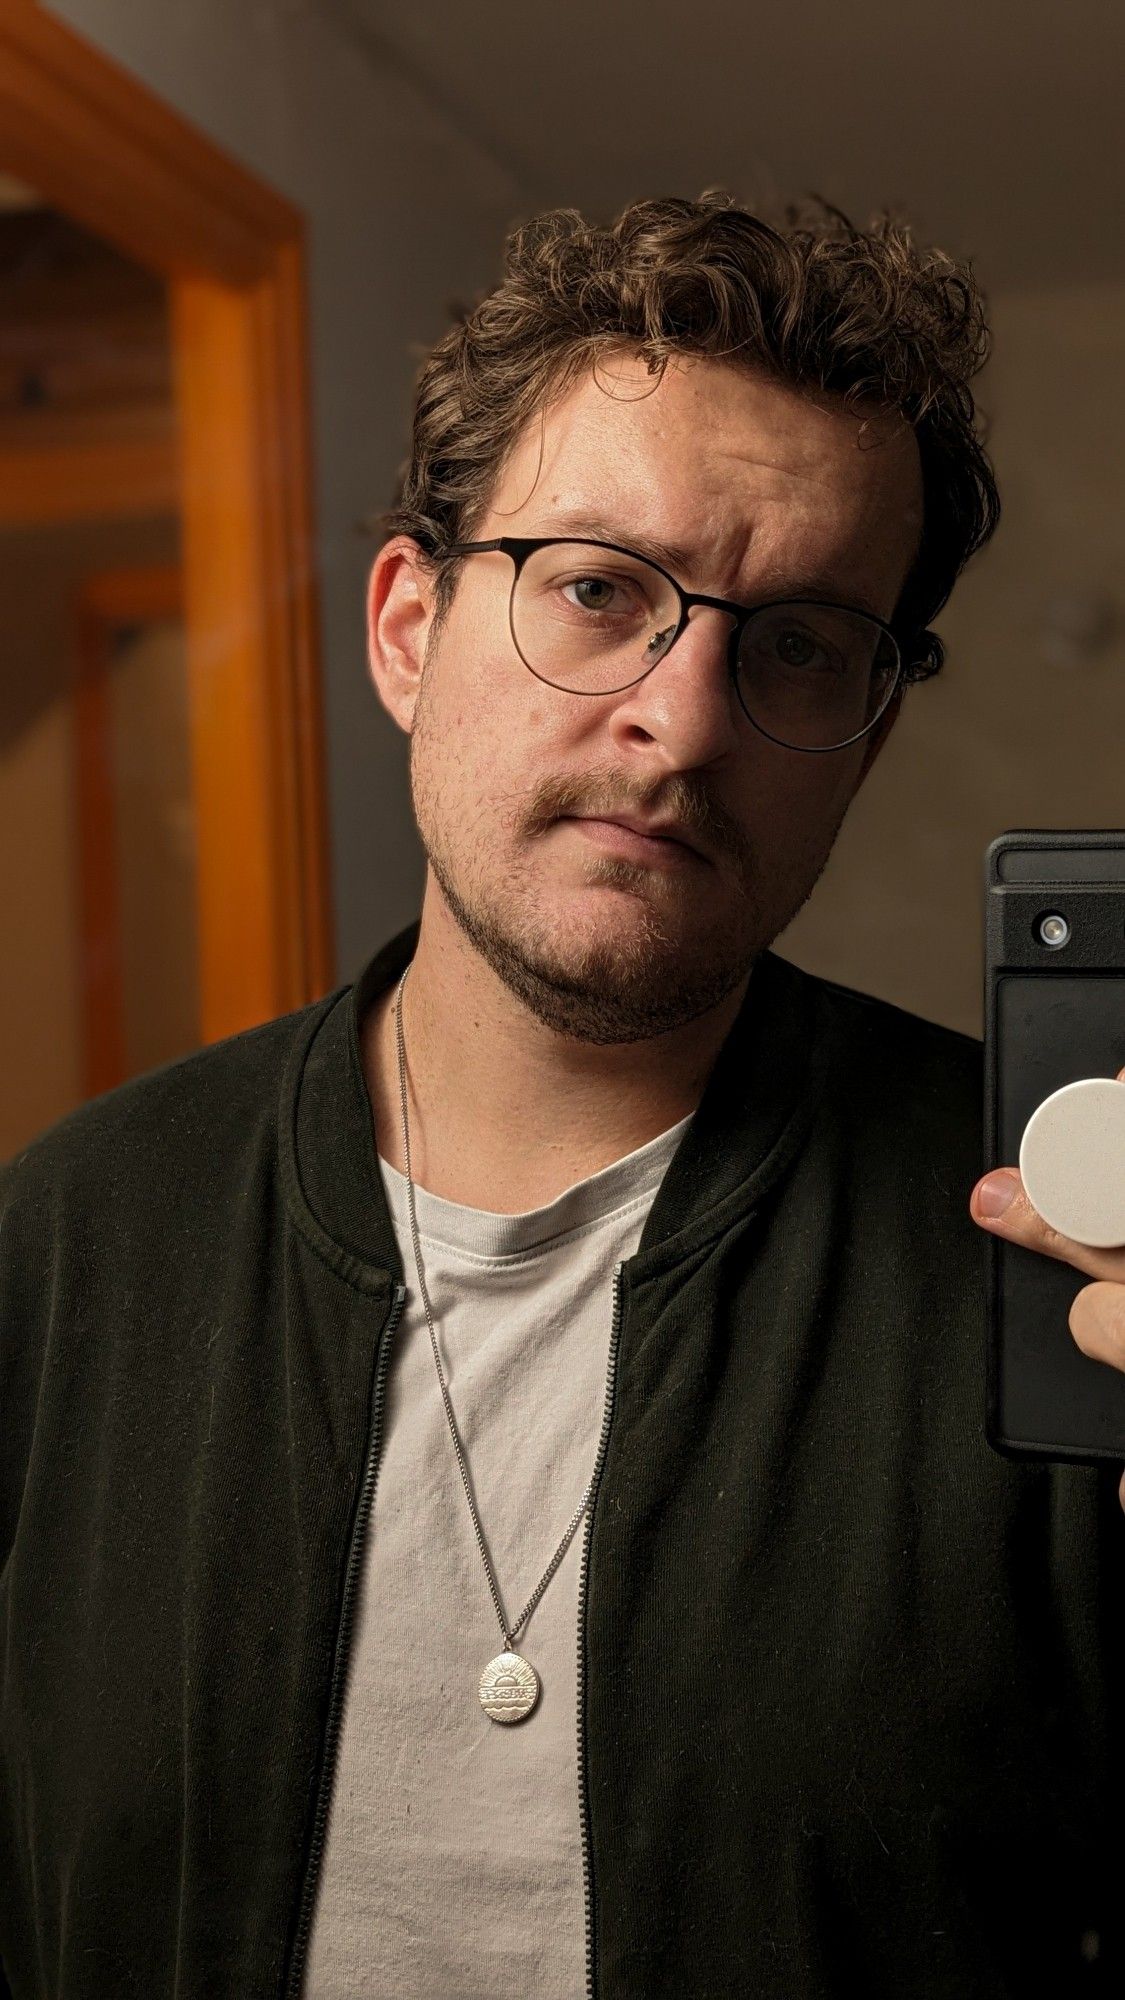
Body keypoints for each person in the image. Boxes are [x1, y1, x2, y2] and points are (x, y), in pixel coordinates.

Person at [2, 189, 1123, 2000]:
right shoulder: (71, 1243)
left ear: (865, 730)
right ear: (403, 628)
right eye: (600, 592)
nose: (681, 721)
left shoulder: (1048, 1280)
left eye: (796, 645)